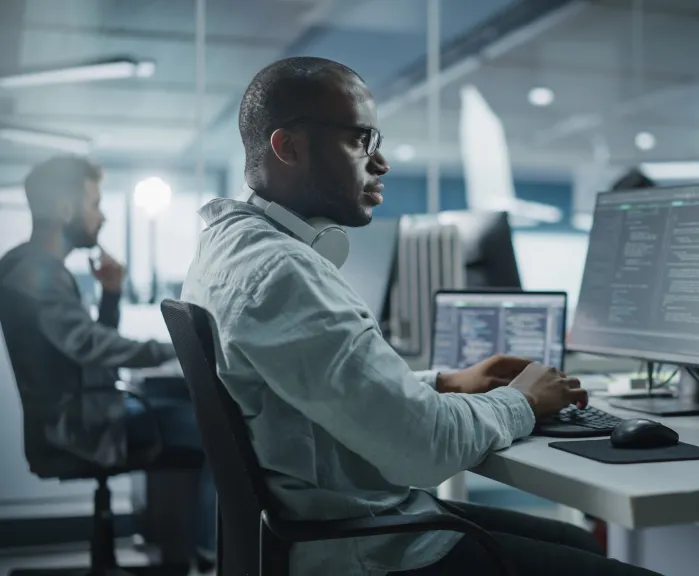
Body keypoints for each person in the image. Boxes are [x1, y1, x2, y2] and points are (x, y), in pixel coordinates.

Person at [180, 56, 663, 576]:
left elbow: (319, 386)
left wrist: (445, 382)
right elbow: (425, 450)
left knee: (577, 542)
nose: (380, 162)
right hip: (367, 550)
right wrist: (522, 401)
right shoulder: (284, 273)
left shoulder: (230, 248)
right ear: (288, 146)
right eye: (361, 140)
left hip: (330, 526)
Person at [0, 156, 216, 565]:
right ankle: (209, 551)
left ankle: (189, 550)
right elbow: (93, 347)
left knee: (190, 410)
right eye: (94, 204)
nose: (102, 218)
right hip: (79, 423)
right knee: (214, 428)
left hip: (77, 412)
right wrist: (185, 345)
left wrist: (112, 295)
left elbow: (86, 352)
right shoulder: (34, 274)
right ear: (65, 210)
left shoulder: (30, 267)